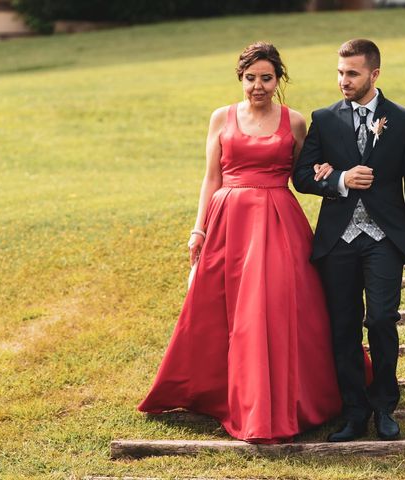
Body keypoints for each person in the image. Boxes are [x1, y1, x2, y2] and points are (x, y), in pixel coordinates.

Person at [138, 42, 373, 444]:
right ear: (241, 78)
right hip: (229, 223)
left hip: (279, 224)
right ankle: (224, 396)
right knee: (223, 315)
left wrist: (337, 176)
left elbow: (310, 174)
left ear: (278, 80)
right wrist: (199, 230)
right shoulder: (220, 119)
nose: (258, 86)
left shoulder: (295, 122)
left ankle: (295, 399)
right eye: (251, 78)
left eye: (267, 78)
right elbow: (211, 178)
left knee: (278, 310)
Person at [293, 39, 405, 442]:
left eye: (351, 73)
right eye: (339, 72)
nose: (343, 81)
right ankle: (354, 412)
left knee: (382, 318)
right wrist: (339, 179)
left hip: (385, 237)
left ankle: (385, 405)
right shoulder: (325, 118)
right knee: (344, 326)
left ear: (374, 74)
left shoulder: (404, 120)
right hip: (338, 239)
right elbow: (301, 177)